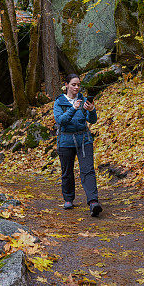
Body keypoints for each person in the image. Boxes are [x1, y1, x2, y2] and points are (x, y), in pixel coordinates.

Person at [53, 74, 102, 217]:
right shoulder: (59, 102)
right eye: (73, 84)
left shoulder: (84, 100)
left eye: (78, 85)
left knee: (88, 170)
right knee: (67, 171)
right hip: (65, 141)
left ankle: (93, 202)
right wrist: (73, 108)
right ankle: (68, 199)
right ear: (66, 85)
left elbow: (92, 120)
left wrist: (92, 110)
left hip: (84, 139)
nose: (76, 87)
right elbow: (60, 121)